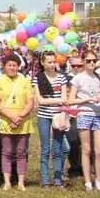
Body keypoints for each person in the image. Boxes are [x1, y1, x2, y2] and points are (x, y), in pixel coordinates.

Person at [0, 53, 34, 191]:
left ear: (18, 66)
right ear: (4, 66)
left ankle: (21, 182)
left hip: (23, 120)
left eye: (14, 65)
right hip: (5, 120)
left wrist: (19, 117)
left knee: (21, 152)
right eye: (9, 65)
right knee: (7, 151)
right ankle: (7, 182)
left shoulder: (25, 81)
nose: (12, 67)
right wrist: (11, 117)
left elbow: (30, 102)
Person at [68, 51, 100, 192]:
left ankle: (98, 181)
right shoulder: (77, 79)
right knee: (86, 149)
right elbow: (70, 100)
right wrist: (87, 99)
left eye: (94, 60)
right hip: (84, 114)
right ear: (83, 62)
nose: (92, 63)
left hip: (99, 114)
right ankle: (87, 182)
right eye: (89, 61)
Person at [33, 51, 70, 188]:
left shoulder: (62, 78)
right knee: (45, 149)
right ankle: (45, 180)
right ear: (43, 63)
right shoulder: (38, 78)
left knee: (58, 148)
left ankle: (58, 180)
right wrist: (58, 100)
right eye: (49, 62)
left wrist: (57, 100)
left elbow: (65, 99)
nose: (52, 64)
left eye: (54, 61)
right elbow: (40, 100)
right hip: (43, 116)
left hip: (58, 116)